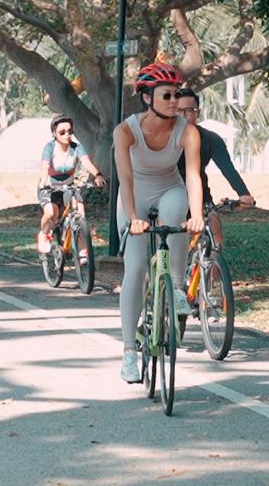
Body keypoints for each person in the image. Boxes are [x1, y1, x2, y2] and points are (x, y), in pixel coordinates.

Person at [114, 62, 204, 383]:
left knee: (176, 212)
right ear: (147, 97)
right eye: (167, 95)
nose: (174, 101)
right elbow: (124, 179)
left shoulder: (187, 131)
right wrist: (134, 219)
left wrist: (197, 215)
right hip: (135, 194)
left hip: (170, 187)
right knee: (136, 268)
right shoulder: (125, 131)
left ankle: (177, 288)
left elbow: (192, 176)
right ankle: (128, 353)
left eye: (177, 94)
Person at [175, 87, 256, 246]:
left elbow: (228, 169)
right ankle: (163, 269)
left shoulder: (211, 139)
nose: (184, 115)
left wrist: (243, 193)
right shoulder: (162, 138)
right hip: (168, 195)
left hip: (201, 197)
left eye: (189, 110)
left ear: (197, 113)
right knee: (170, 246)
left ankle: (212, 266)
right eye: (178, 110)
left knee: (216, 240)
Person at [36, 114, 105, 254]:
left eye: (70, 131)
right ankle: (44, 234)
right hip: (50, 186)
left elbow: (86, 162)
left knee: (80, 214)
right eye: (62, 132)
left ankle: (83, 249)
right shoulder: (50, 148)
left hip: (69, 185)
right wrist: (43, 181)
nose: (67, 135)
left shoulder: (76, 147)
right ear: (54, 133)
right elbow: (45, 166)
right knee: (51, 214)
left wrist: (97, 175)